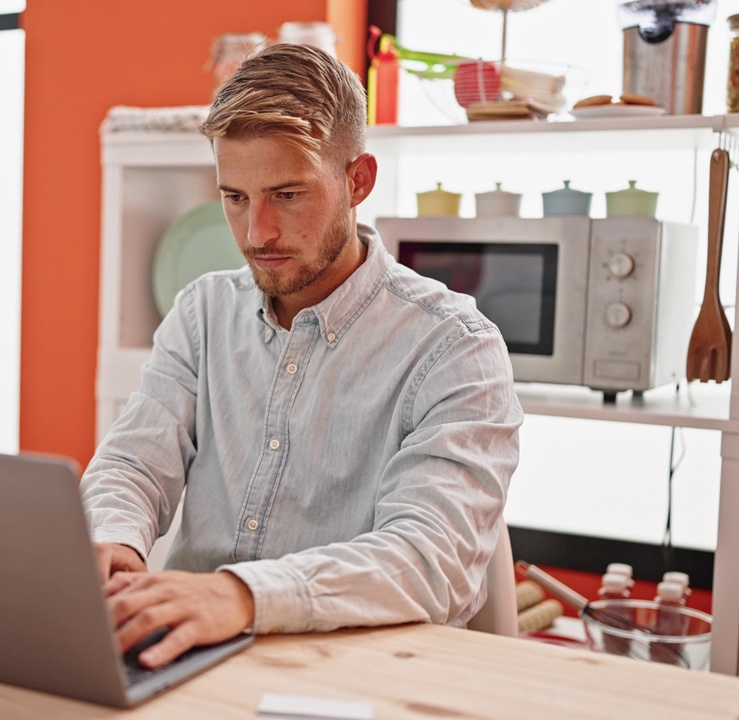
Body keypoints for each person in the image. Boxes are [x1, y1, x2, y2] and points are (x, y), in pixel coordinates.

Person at [80, 43, 521, 670]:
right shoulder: (202, 312)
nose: (257, 233)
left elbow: (429, 561)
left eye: (287, 195)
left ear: (358, 180)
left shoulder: (456, 348)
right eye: (235, 197)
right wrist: (114, 541)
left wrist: (239, 595)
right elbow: (132, 462)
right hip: (189, 656)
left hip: (356, 673)